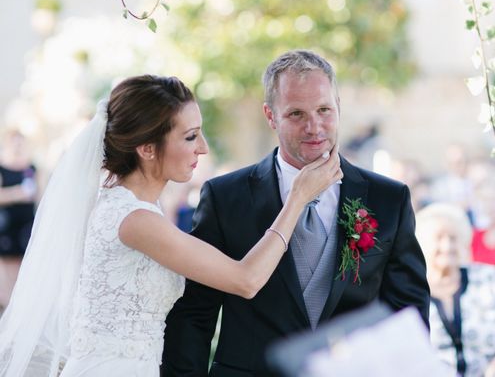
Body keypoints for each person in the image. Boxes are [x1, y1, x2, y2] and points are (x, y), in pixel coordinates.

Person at [0, 75, 341, 377]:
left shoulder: (136, 209)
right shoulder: (133, 220)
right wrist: (297, 199)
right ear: (147, 148)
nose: (203, 148)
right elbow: (245, 280)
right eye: (190, 137)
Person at [162, 50, 430, 376]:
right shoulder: (224, 197)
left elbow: (407, 315)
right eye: (296, 114)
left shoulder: (390, 199)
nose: (313, 127)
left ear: (339, 107)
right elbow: (194, 314)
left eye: (323, 110)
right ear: (271, 116)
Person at [415, 203, 495, 377]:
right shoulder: (412, 291)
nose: (447, 246)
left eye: (453, 238)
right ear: (422, 244)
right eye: (439, 238)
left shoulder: (485, 276)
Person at [0, 130, 37, 308]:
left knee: (25, 266)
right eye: (14, 142)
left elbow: (41, 195)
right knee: (8, 267)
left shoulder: (32, 168)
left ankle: (20, 306)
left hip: (27, 224)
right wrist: (18, 193)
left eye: (20, 142)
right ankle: (9, 307)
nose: (17, 146)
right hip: (7, 224)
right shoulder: (2, 168)